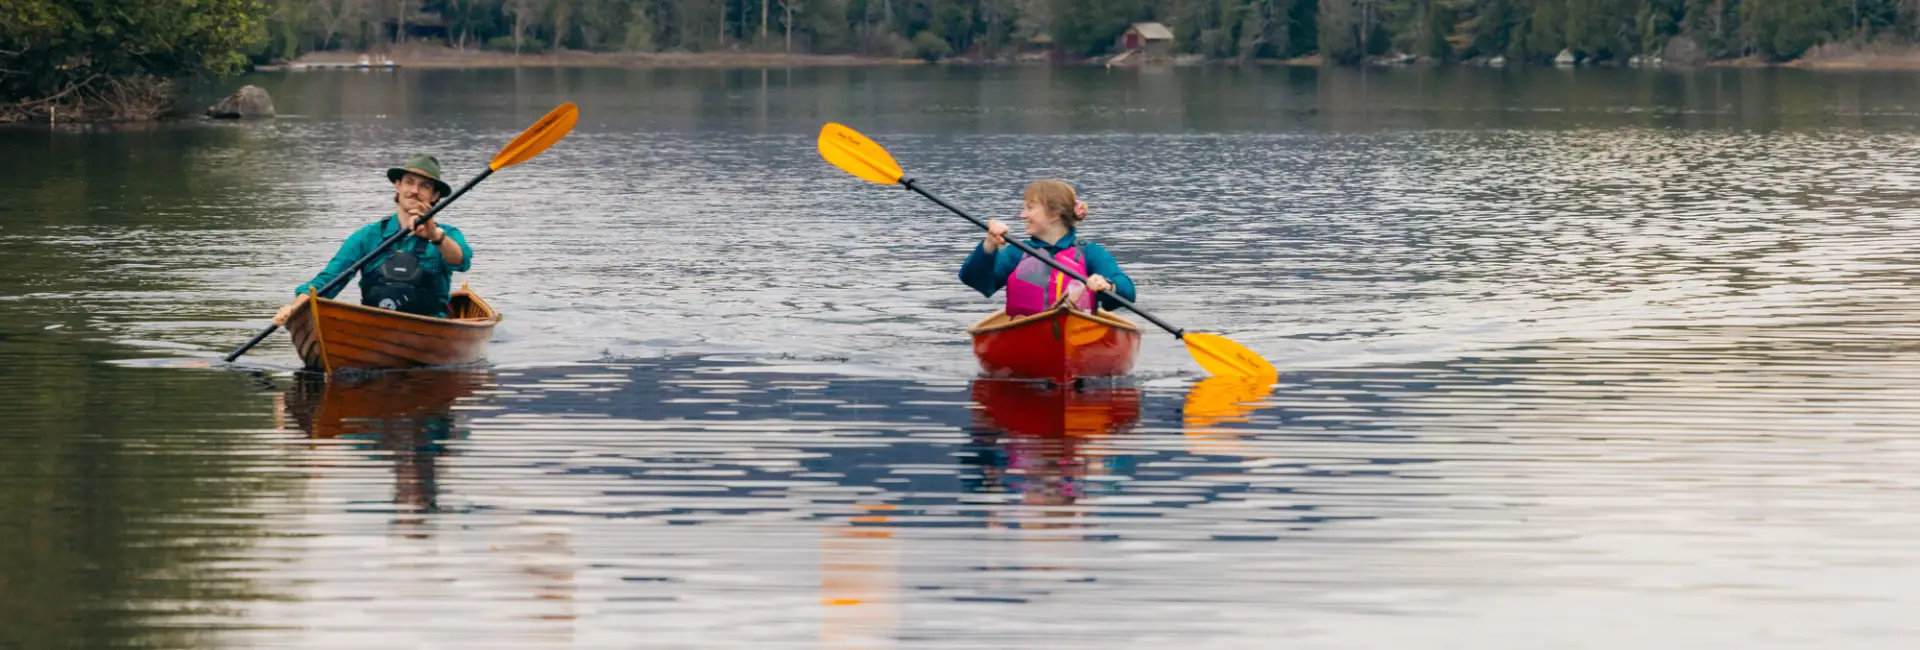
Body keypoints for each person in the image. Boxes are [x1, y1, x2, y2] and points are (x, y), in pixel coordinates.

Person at [273, 154, 473, 325]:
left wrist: (435, 236)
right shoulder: (367, 237)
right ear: (398, 185)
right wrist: (294, 307)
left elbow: (461, 261)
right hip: (374, 324)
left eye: (424, 186)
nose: (414, 191)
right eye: (409, 182)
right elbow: (328, 280)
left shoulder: (448, 235)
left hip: (431, 329)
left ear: (435, 195)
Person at [958, 179, 1135, 316]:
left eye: (1030, 208)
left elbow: (1128, 290)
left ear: (1055, 213)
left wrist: (1108, 286)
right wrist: (989, 245)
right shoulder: (1017, 253)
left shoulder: (1091, 253)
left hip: (1080, 331)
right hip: (1025, 332)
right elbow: (976, 281)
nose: (1022, 215)